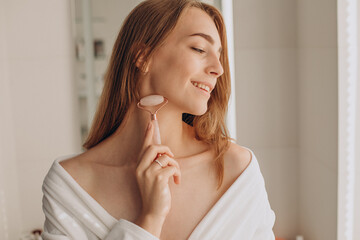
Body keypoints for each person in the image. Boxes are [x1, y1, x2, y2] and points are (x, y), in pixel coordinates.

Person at [41, 0, 276, 239]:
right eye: (199, 49)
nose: (219, 68)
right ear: (143, 56)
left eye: (219, 55)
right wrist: (150, 218)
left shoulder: (237, 171)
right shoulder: (70, 185)